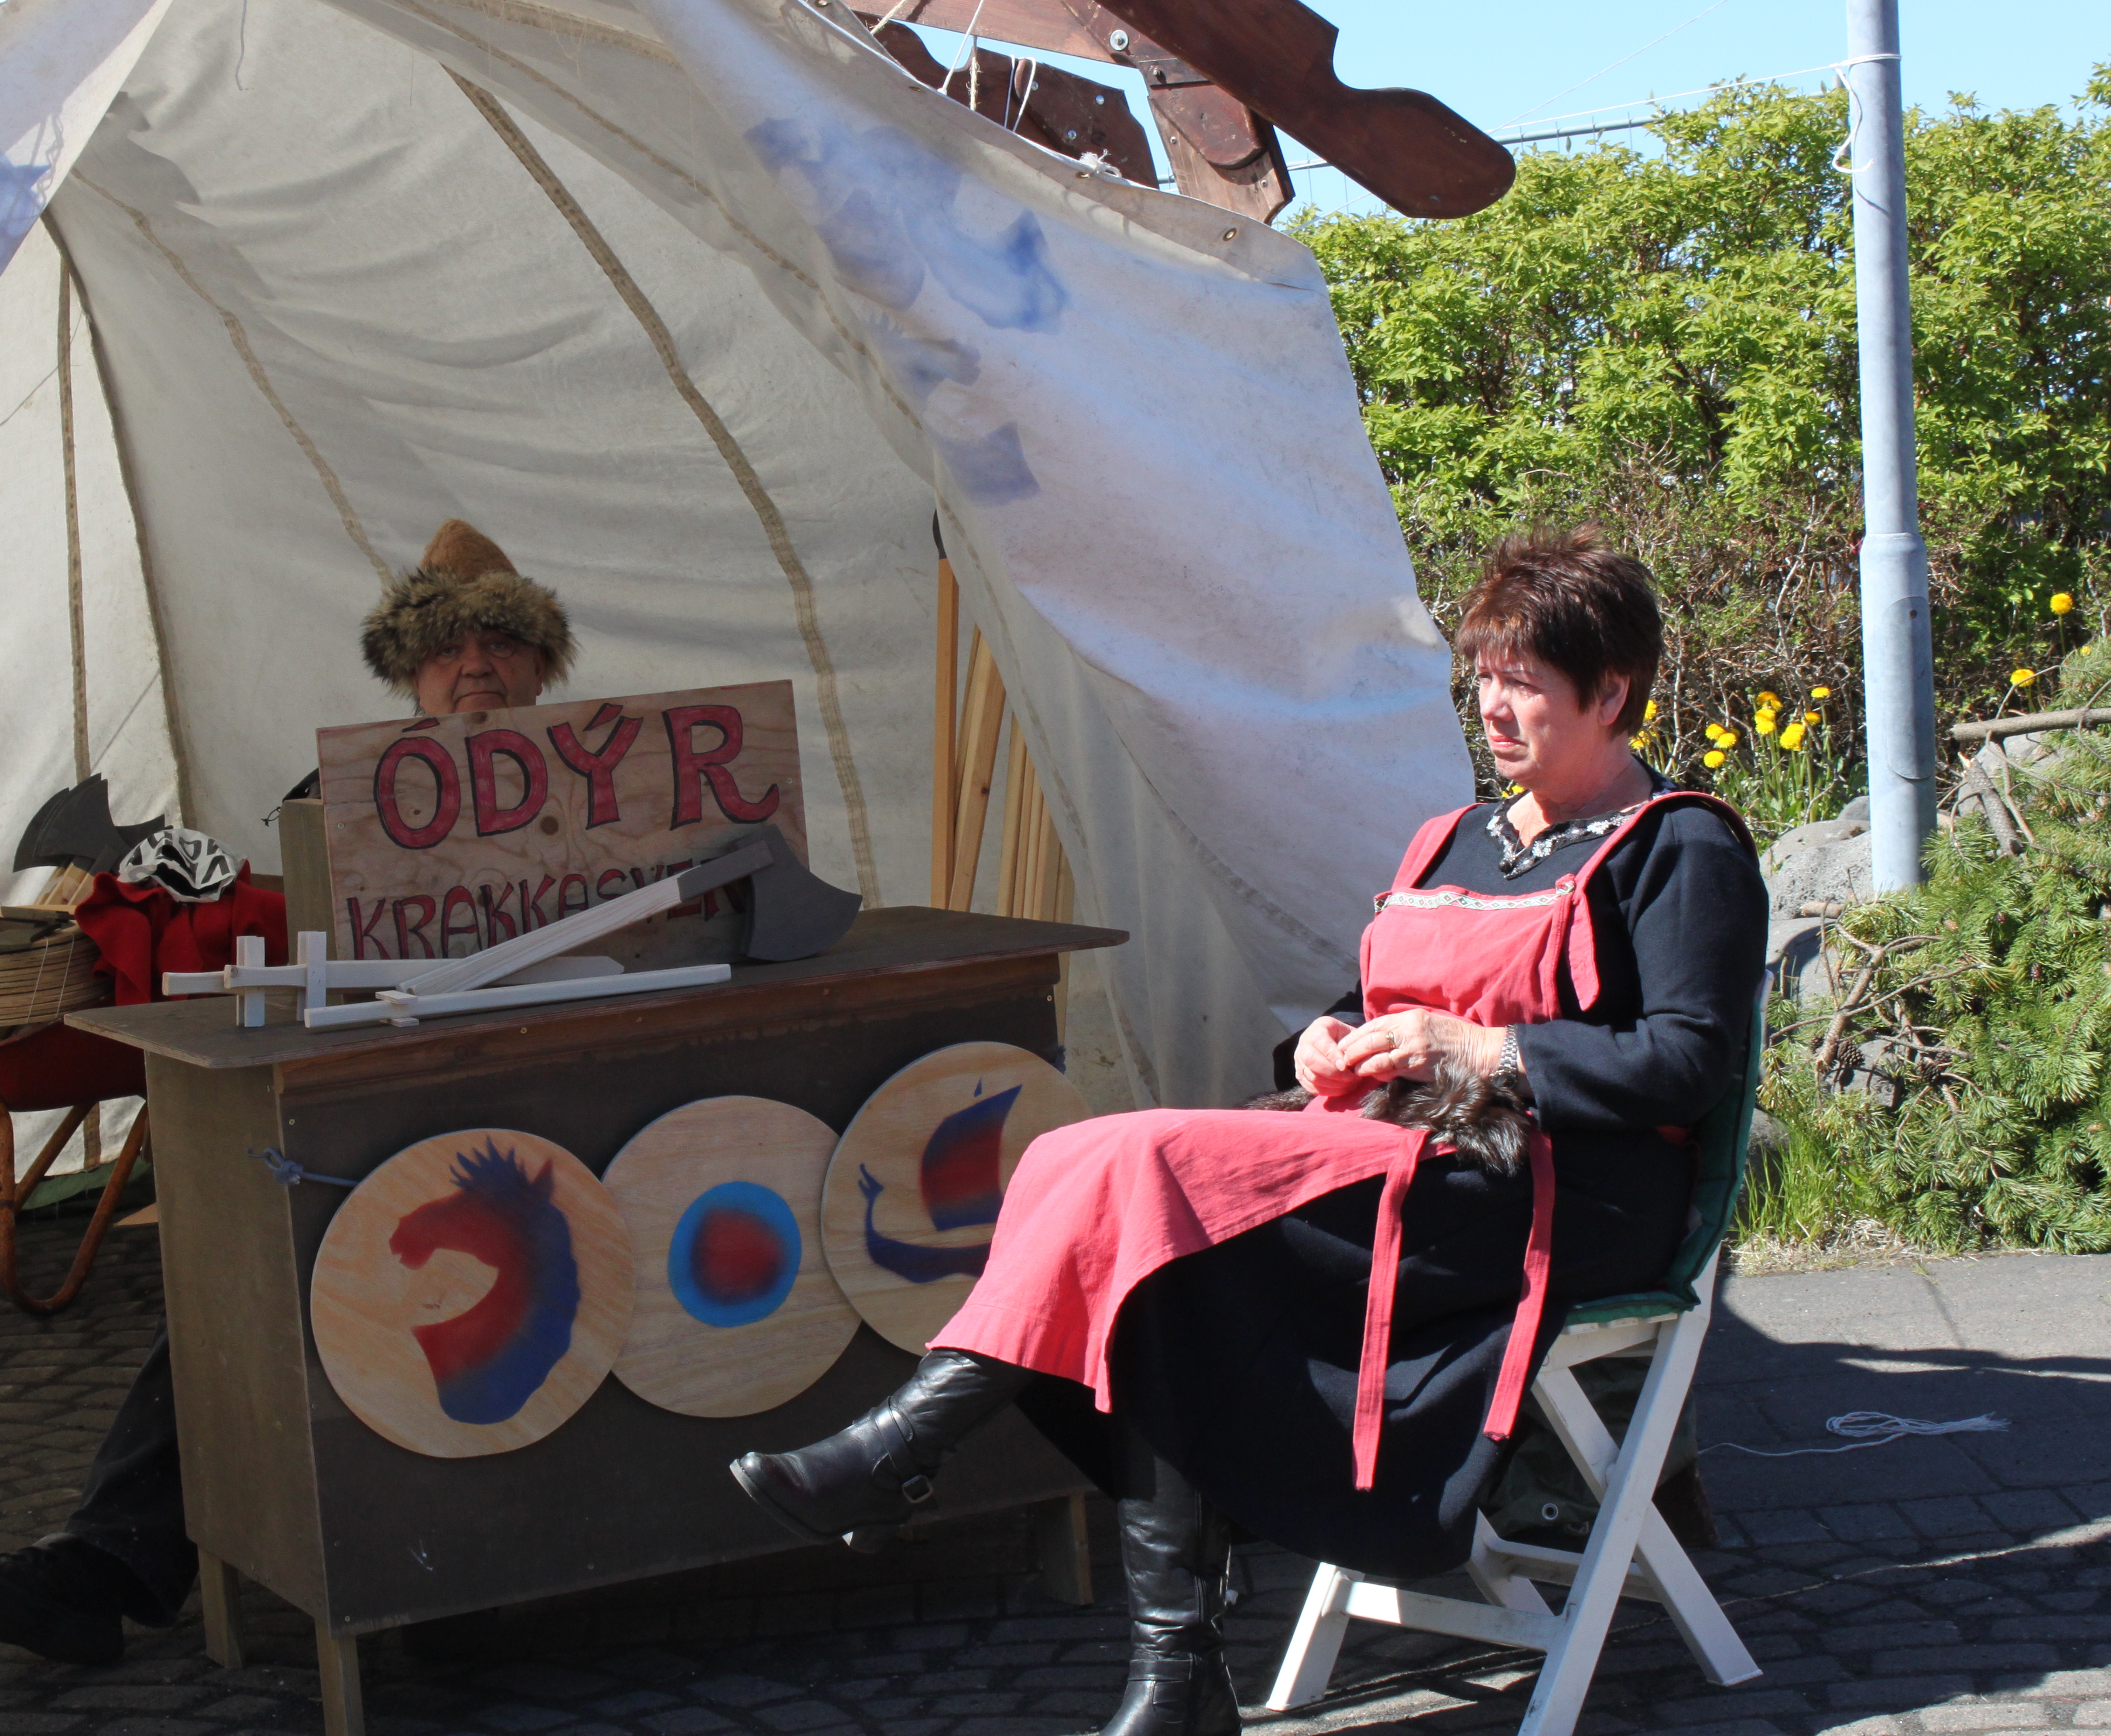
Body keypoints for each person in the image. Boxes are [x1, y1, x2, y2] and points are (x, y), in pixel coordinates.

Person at [729, 527, 1765, 1736]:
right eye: (1484, 673)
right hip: (1401, 1159)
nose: (1492, 703)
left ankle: (912, 1441)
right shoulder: (1461, 841)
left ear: (1613, 694)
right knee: (1095, 1179)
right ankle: (1177, 1675)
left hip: (1554, 1191)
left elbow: (1686, 1066)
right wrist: (1325, 1044)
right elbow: (1369, 1008)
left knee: (1148, 1176)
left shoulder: (1680, 845)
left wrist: (1482, 1051)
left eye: (1524, 681)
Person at [0, 520, 574, 1665]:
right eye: (448, 645)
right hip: (378, 1114)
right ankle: (109, 1560)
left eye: (501, 643)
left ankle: (453, 1573)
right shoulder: (334, 792)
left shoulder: (608, 776)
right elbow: (267, 942)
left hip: (558, 1114)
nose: (476, 665)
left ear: (539, 663)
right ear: (409, 670)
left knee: (473, 1271)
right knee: (249, 1279)